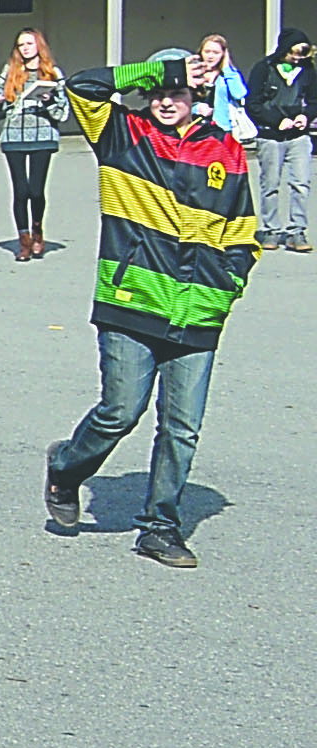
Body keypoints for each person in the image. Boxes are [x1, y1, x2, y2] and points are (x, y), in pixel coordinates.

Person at [44, 48, 259, 570]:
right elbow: (83, 84)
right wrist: (161, 69)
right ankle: (67, 470)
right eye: (160, 92)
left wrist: (227, 284)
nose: (166, 101)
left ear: (195, 99)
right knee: (121, 411)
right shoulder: (123, 134)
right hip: (131, 301)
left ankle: (160, 527)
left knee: (181, 427)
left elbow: (244, 232)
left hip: (199, 310)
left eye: (178, 93)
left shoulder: (225, 150)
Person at [0, 29, 73, 262]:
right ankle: (23, 241)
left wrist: (48, 100)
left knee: (36, 190)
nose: (25, 48)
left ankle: (38, 231)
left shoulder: (52, 73)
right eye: (21, 45)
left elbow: (63, 111)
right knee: (20, 190)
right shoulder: (10, 72)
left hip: (42, 135)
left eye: (29, 43)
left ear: (39, 46)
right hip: (14, 135)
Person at [250, 31, 317, 253]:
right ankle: (271, 230)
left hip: (298, 137)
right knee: (270, 185)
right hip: (271, 136)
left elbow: (315, 100)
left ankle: (296, 231)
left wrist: (306, 116)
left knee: (301, 184)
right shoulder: (264, 69)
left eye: (303, 54)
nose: (298, 59)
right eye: (294, 53)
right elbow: (253, 103)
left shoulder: (307, 71)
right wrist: (277, 121)